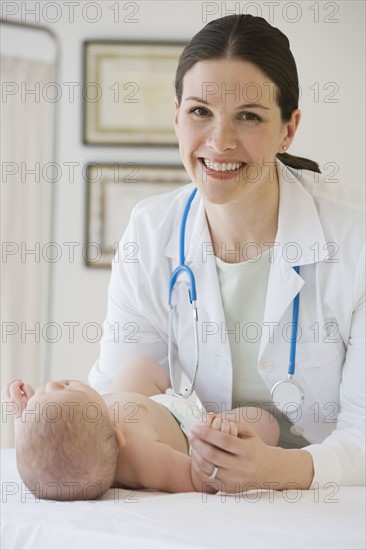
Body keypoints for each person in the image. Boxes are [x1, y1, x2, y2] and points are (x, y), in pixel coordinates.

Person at [89, 14, 365, 491]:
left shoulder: (354, 244)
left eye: (249, 116)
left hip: (328, 505)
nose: (220, 141)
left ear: (288, 129)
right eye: (200, 111)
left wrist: (275, 470)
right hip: (194, 500)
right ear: (176, 115)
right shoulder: (150, 232)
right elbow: (121, 400)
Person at [1, 357, 280, 500]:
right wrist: (215, 439)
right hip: (186, 424)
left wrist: (23, 414)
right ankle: (219, 419)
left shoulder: (86, 431)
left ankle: (172, 384)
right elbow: (194, 478)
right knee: (264, 422)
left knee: (139, 365)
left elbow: (39, 447)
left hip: (142, 402)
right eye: (65, 386)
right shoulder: (142, 456)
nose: (51, 384)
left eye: (42, 394)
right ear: (116, 430)